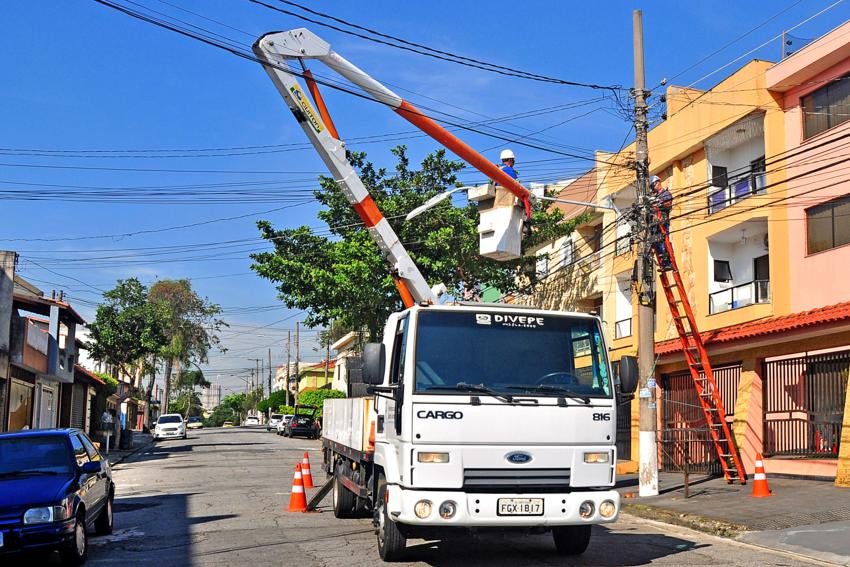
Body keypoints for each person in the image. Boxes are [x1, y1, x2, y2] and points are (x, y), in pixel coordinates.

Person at [651, 175, 674, 269]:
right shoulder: (654, 196)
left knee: (664, 240)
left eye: (653, 186)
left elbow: (668, 204)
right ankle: (663, 263)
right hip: (655, 223)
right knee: (656, 241)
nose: (653, 188)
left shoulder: (665, 193)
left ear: (658, 183)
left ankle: (668, 262)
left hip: (663, 220)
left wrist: (659, 202)